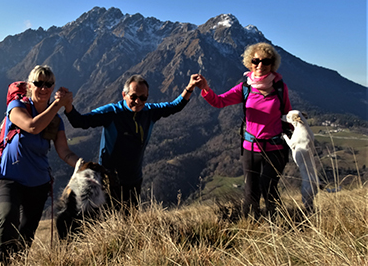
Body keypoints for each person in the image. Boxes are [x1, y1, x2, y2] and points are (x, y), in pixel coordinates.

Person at [57, 74, 199, 210]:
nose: (138, 101)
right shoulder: (112, 113)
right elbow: (80, 122)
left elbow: (175, 106)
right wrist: (68, 105)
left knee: (130, 222)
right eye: (133, 96)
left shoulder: (149, 112)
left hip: (134, 180)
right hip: (109, 181)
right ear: (124, 95)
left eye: (143, 97)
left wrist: (190, 86)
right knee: (108, 221)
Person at [0, 65, 82, 265]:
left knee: (26, 234)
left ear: (53, 87)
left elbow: (64, 152)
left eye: (48, 84)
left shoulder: (56, 121)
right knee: (8, 217)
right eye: (38, 83)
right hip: (9, 178)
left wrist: (83, 165)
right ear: (29, 86)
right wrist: (58, 104)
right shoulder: (16, 106)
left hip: (38, 184)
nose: (43, 88)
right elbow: (32, 126)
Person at [195, 42, 292, 218]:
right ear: (249, 63)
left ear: (272, 64)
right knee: (250, 190)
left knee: (268, 186)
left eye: (265, 61)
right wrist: (205, 89)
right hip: (251, 148)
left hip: (275, 148)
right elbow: (219, 101)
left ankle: (276, 223)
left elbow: (287, 115)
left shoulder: (279, 87)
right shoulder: (245, 88)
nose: (260, 65)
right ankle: (250, 225)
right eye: (256, 61)